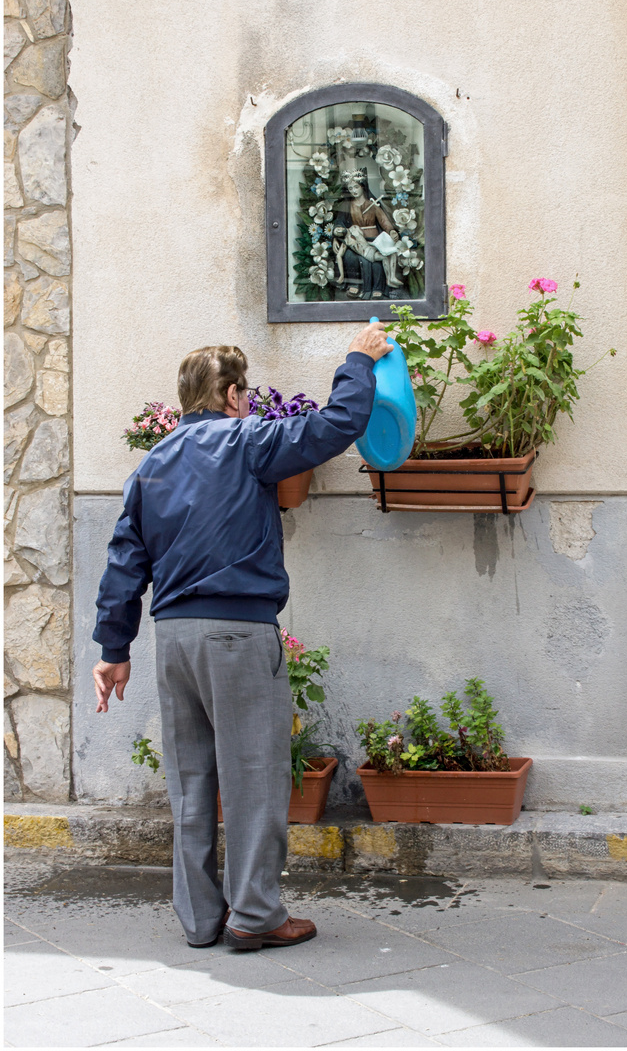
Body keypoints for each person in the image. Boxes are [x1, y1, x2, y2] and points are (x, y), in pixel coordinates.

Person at [92, 324, 391, 951]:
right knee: (254, 776)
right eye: (246, 391)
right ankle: (254, 916)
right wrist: (358, 360)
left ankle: (201, 920)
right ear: (231, 395)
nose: (249, 401)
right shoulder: (250, 441)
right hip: (237, 633)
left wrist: (113, 650)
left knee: (191, 779)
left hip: (172, 639)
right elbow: (337, 425)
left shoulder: (150, 465)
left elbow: (124, 562)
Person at [334, 172, 400, 299]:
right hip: (356, 241)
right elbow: (339, 223)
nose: (354, 191)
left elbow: (384, 221)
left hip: (374, 240)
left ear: (363, 187)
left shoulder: (372, 204)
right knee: (349, 256)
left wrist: (391, 231)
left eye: (356, 187)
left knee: (377, 261)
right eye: (351, 188)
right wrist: (338, 231)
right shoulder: (347, 205)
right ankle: (355, 285)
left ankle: (378, 288)